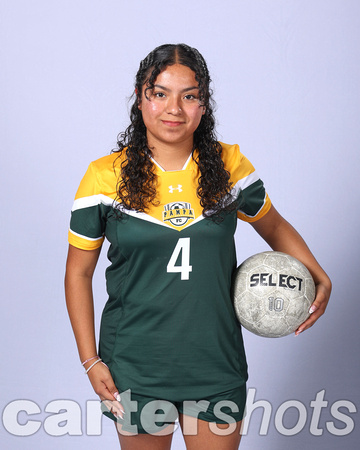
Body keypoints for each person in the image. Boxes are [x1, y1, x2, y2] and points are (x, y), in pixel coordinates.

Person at [65, 43, 331, 450]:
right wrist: (90, 359)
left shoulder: (229, 167)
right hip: (135, 362)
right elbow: (78, 273)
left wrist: (317, 273)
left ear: (203, 105)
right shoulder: (103, 178)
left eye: (189, 96)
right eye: (160, 94)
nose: (174, 108)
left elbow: (275, 227)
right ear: (140, 99)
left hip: (215, 360)